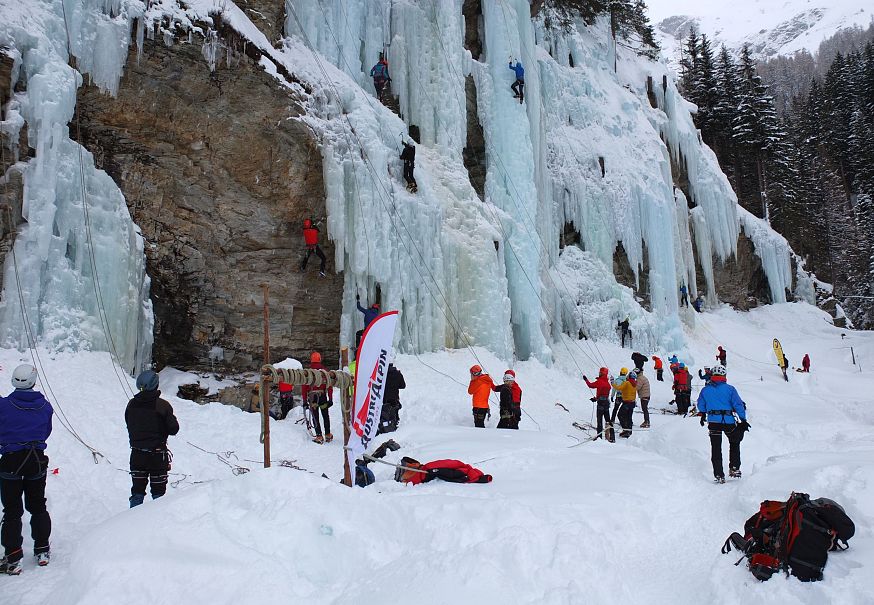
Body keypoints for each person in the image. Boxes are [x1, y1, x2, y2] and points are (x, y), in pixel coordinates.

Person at [0, 365, 53, 574]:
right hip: (36, 459)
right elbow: (46, 431)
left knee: (12, 510)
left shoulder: (4, 405)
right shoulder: (46, 406)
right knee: (38, 505)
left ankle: (13, 557)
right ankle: (42, 550)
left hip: (11, 460)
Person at [125, 370, 179, 508]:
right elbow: (174, 429)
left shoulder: (131, 404)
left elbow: (129, 424)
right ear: (155, 385)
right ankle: (157, 525)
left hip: (137, 455)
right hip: (157, 456)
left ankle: (132, 522)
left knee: (137, 492)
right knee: (158, 495)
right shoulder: (163, 406)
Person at [696, 365, 748, 483]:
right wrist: (743, 419)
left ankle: (719, 474)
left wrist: (704, 413)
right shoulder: (730, 389)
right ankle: (734, 468)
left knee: (716, 447)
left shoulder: (706, 390)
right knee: (734, 443)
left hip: (713, 422)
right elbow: (738, 405)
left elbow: (700, 405)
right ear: (724, 376)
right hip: (728, 421)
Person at [302, 352, 333, 444]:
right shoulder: (325, 371)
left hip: (313, 398)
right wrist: (330, 398)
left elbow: (304, 387)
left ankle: (319, 436)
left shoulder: (308, 372)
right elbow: (329, 386)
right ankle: (328, 434)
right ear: (320, 359)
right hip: (322, 396)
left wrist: (304, 400)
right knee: (325, 415)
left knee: (315, 416)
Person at [584, 368, 613, 442]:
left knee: (599, 420)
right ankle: (611, 437)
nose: (599, 373)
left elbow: (590, 385)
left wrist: (586, 380)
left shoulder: (599, 381)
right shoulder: (607, 383)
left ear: (602, 373)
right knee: (608, 420)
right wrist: (596, 398)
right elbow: (604, 393)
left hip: (600, 403)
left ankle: (599, 438)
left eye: (600, 372)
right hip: (606, 403)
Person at [378, 363, 405, 434]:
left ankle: (384, 427)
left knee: (385, 414)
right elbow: (403, 386)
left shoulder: (381, 375)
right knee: (394, 413)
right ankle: (394, 427)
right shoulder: (397, 374)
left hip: (384, 398)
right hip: (394, 398)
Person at [611, 368, 637, 438]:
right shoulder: (635, 383)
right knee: (629, 417)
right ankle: (629, 431)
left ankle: (625, 430)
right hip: (632, 402)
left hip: (626, 403)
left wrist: (612, 383)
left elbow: (618, 388)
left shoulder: (627, 382)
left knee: (620, 415)